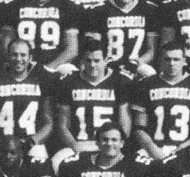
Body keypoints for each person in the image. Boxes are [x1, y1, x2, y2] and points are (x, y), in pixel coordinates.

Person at [51, 41, 134, 170]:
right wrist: (74, 145)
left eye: (97, 60)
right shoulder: (69, 82)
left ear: (106, 60)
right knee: (57, 163)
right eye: (88, 60)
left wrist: (114, 146)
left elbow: (125, 123)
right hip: (79, 144)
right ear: (82, 61)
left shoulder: (119, 81)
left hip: (110, 144)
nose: (92, 65)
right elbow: (62, 125)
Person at [0, 39, 57, 161]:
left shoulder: (41, 78)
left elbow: (48, 123)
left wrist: (32, 141)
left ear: (30, 57)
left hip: (31, 143)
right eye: (14, 54)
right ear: (8, 56)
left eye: (23, 55)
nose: (18, 59)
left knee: (39, 158)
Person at [129, 42, 190, 161]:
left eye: (176, 59)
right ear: (160, 61)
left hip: (187, 149)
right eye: (167, 59)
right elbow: (139, 128)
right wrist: (155, 151)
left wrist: (183, 148)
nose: (172, 64)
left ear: (184, 61)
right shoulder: (146, 84)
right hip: (153, 150)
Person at [0, 0, 81, 75]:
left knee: (68, 70)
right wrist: (23, 67)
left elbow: (72, 49)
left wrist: (47, 69)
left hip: (55, 64)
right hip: (22, 63)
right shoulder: (16, 2)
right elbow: (7, 44)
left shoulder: (66, 3)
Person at [81, 0, 161, 77]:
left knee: (152, 75)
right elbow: (94, 47)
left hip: (138, 64)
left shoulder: (148, 9)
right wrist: (104, 64)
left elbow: (151, 50)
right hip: (108, 64)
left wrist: (137, 63)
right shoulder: (100, 10)